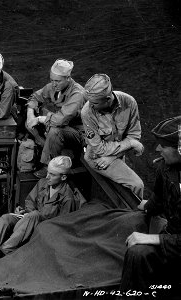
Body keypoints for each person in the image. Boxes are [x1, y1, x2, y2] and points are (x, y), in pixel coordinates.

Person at [0, 156, 77, 271]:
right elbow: (30, 200)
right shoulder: (43, 183)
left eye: (52, 174)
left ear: (63, 177)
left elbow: (60, 226)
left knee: (34, 216)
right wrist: (26, 211)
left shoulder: (67, 198)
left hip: (44, 228)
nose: (47, 176)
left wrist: (33, 216)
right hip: (28, 218)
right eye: (48, 172)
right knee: (6, 218)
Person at [120, 116, 181, 297]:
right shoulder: (166, 168)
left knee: (139, 252)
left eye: (164, 145)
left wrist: (154, 239)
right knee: (137, 253)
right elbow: (159, 200)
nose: (157, 149)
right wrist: (146, 207)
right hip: (173, 241)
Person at [81, 73, 145, 199]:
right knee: (137, 185)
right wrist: (131, 143)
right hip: (97, 158)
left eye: (94, 103)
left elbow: (134, 134)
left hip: (115, 156)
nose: (90, 105)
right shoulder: (87, 112)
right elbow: (99, 149)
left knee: (127, 189)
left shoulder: (129, 102)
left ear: (108, 99)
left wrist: (113, 156)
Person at [25, 59, 85, 178]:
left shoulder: (77, 93)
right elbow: (35, 97)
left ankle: (49, 167)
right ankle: (43, 145)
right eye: (51, 80)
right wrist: (30, 114)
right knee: (31, 121)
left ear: (68, 78)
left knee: (55, 131)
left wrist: (39, 119)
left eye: (57, 81)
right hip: (63, 125)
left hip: (78, 132)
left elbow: (60, 120)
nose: (53, 84)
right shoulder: (54, 87)